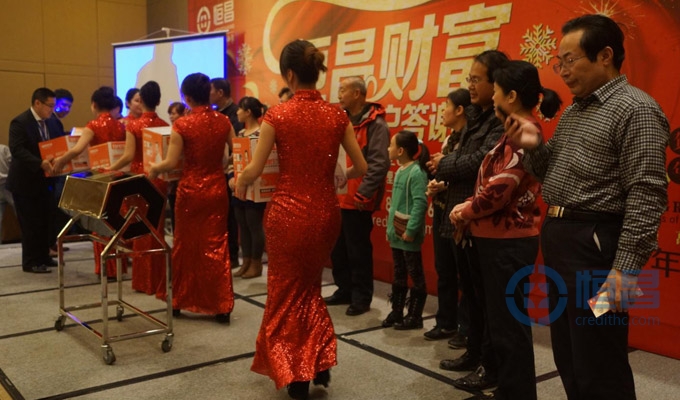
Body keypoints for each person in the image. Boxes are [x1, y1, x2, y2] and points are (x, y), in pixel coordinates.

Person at [508, 14, 669, 400]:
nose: (562, 71)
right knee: (569, 355)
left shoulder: (636, 109)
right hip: (562, 241)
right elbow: (549, 173)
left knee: (600, 362)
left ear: (605, 56)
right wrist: (533, 147)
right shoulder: (575, 112)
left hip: (596, 248)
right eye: (558, 62)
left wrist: (625, 270)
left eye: (570, 60)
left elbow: (647, 194)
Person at [235, 39, 367, 400]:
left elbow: (254, 170)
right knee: (308, 289)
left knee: (286, 293)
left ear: (290, 75)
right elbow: (361, 166)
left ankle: (296, 372)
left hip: (287, 215)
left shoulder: (278, 116)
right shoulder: (337, 116)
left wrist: (236, 180)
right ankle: (317, 360)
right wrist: (338, 175)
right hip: (325, 214)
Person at [451, 60, 562, 400]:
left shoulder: (523, 133)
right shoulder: (513, 130)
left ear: (511, 96)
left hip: (508, 242)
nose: (492, 94)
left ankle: (517, 392)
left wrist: (465, 210)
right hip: (497, 239)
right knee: (500, 322)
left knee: (509, 325)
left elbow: (501, 188)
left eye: (496, 89)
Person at [429, 50, 508, 392]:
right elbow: (464, 156)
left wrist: (443, 164)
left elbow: (478, 162)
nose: (471, 86)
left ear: (497, 83)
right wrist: (447, 168)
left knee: (487, 301)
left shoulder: (502, 121)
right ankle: (474, 353)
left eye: (477, 79)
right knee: (472, 295)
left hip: (485, 220)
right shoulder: (477, 116)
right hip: (463, 217)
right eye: (469, 79)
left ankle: (489, 364)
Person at [149, 72, 235, 324]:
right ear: (208, 93)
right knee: (216, 244)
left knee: (185, 246)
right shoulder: (224, 121)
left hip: (190, 192)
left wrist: (154, 168)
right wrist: (223, 163)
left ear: (186, 97)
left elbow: (170, 162)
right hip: (216, 189)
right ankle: (221, 305)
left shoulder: (182, 125)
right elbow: (236, 152)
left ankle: (179, 299)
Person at [325, 76, 391, 316]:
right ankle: (344, 289)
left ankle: (362, 297)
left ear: (357, 94)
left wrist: (364, 193)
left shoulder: (376, 125)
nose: (339, 94)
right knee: (338, 249)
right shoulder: (340, 120)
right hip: (338, 195)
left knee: (358, 251)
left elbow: (379, 163)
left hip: (358, 198)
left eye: (343, 90)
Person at [52, 86, 128, 279]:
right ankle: (118, 267)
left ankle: (105, 269)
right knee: (115, 221)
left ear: (94, 105)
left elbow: (77, 149)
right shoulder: (121, 126)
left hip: (99, 178)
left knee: (100, 222)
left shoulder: (93, 126)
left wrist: (60, 161)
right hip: (117, 177)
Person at [109, 81, 169, 295]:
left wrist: (109, 168)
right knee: (156, 227)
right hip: (159, 178)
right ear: (159, 100)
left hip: (138, 179)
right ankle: (159, 278)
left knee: (140, 228)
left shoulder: (133, 126)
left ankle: (144, 281)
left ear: (141, 100)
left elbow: (127, 156)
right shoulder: (164, 124)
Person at [423, 88, 471, 344]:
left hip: (461, 212)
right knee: (444, 269)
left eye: (446, 107)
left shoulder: (470, 139)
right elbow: (445, 173)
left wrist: (445, 180)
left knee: (464, 274)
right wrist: (436, 183)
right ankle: (446, 322)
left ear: (460, 110)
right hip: (443, 208)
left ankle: (466, 328)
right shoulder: (449, 140)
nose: (442, 112)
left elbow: (467, 174)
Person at [6, 88, 60, 273]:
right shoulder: (20, 122)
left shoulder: (53, 122)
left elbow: (59, 144)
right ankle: (31, 261)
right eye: (50, 106)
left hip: (47, 181)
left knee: (45, 220)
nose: (52, 110)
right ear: (37, 103)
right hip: (25, 182)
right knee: (30, 223)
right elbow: (17, 150)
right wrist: (39, 163)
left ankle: (44, 256)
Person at [382, 130, 429, 330]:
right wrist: (391, 229)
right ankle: (397, 311)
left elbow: (420, 203)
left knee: (415, 274)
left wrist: (411, 230)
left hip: (408, 235)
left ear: (400, 151)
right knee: (399, 273)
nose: (388, 149)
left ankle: (415, 316)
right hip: (396, 233)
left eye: (391, 145)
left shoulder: (416, 173)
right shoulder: (400, 171)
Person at [229, 96, 267, 279]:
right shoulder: (240, 133)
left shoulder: (261, 134)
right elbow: (234, 159)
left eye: (240, 109)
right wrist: (231, 177)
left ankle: (256, 263)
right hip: (239, 185)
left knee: (253, 224)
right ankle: (246, 261)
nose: (237, 112)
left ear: (248, 112)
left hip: (255, 185)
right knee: (242, 224)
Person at [210, 77, 242, 270]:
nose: (208, 94)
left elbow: (237, 147)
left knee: (230, 217)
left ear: (220, 93)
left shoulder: (234, 116)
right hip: (217, 172)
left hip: (230, 173)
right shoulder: (216, 115)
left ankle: (233, 255)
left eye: (210, 90)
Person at [0, 144, 14, 244]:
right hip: (8, 184)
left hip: (6, 185)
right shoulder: (3, 148)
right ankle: (31, 242)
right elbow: (12, 164)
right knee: (22, 215)